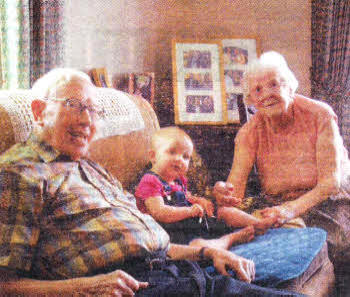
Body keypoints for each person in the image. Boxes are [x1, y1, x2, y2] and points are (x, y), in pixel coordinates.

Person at [0, 68, 305, 296]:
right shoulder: (19, 174)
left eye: (93, 111)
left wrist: (207, 253)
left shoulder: (91, 169)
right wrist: (84, 287)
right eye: (75, 106)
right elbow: (5, 284)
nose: (87, 122)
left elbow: (145, 244)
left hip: (181, 275)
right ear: (39, 112)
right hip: (141, 288)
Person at [214, 51, 350, 278]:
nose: (266, 94)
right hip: (276, 206)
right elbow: (233, 194)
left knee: (310, 249)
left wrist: (289, 211)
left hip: (328, 204)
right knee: (259, 252)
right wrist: (223, 195)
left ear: (289, 87)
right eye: (258, 89)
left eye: (274, 85)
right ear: (251, 99)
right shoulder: (249, 133)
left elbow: (330, 183)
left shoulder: (320, 115)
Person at [134, 126, 255, 250]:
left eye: (185, 156)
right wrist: (190, 211)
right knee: (197, 244)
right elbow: (159, 212)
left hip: (188, 225)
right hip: (171, 233)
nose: (179, 159)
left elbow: (186, 197)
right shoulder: (150, 180)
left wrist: (198, 200)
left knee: (224, 212)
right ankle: (231, 238)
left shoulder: (178, 180)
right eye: (172, 152)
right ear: (153, 156)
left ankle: (255, 223)